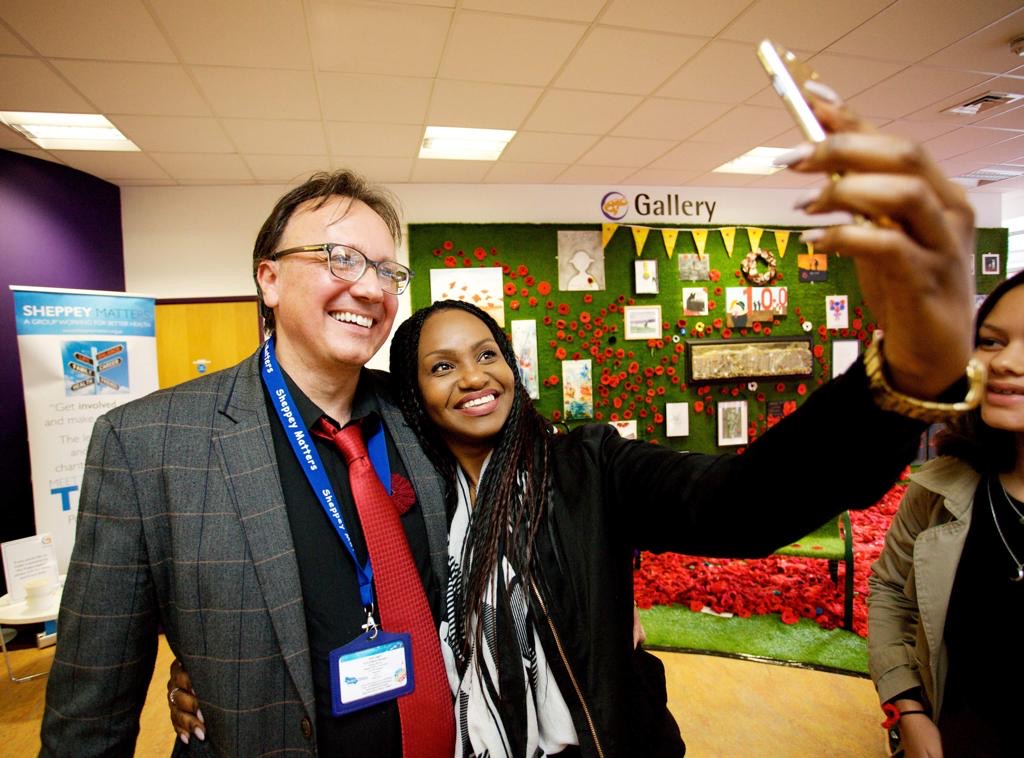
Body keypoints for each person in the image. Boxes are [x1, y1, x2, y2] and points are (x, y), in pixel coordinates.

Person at [165, 83, 984, 756]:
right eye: (441, 366)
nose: (476, 377)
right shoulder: (401, 485)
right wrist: (207, 670)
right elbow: (324, 599)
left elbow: (744, 502)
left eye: (488, 354)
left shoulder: (588, 466)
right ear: (412, 392)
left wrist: (903, 377)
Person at [40, 170, 457, 756]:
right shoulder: (146, 445)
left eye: (388, 271)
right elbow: (90, 711)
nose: (370, 288)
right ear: (270, 279)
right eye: (341, 258)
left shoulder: (422, 420)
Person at [868, 269, 1024, 758]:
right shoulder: (939, 488)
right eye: (992, 341)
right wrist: (908, 711)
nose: (1007, 363)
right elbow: (890, 592)